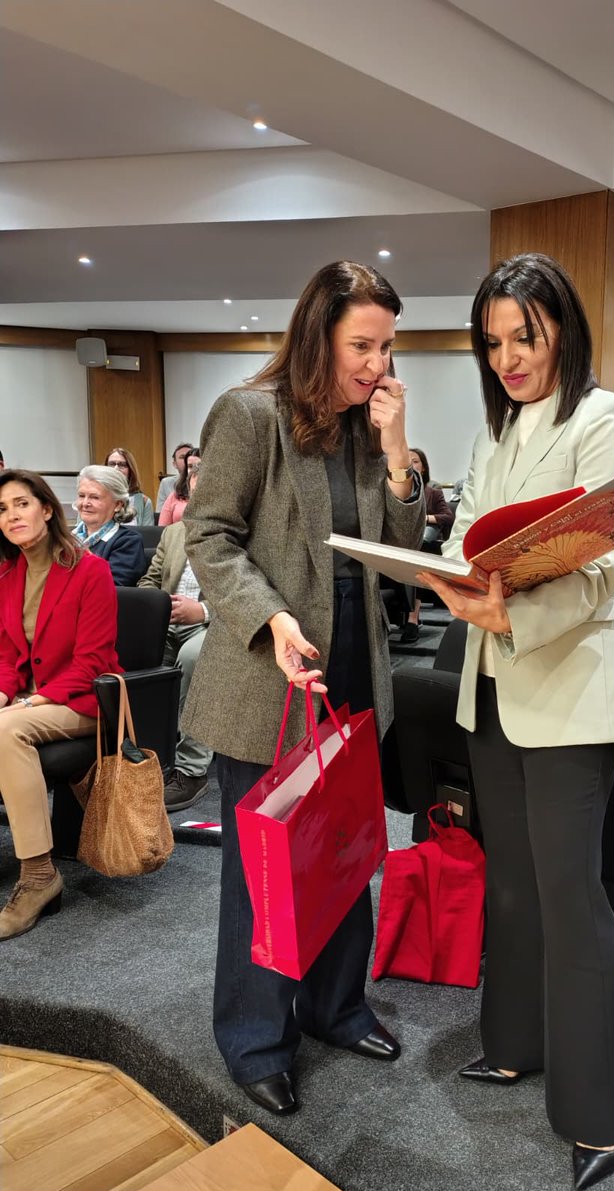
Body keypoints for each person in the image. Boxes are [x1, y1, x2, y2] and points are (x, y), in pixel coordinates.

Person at [419, 253, 614, 1191]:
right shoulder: (495, 429)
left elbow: (608, 558)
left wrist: (515, 611)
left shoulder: (607, 417)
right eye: (495, 342)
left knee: (571, 897)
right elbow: (467, 527)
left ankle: (599, 1114)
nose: (510, 357)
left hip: (565, 688)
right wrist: (439, 565)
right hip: (493, 683)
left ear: (563, 329)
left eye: (526, 336)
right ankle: (514, 1043)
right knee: (510, 884)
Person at [182, 260, 425, 1116]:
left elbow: (401, 553)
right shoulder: (251, 415)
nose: (376, 363)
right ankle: (254, 1039)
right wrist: (272, 619)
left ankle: (336, 1007)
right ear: (317, 335)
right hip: (267, 678)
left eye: (387, 347)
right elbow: (209, 537)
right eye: (362, 344)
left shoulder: (366, 428)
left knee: (341, 851)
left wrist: (399, 454)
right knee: (263, 875)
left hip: (353, 671)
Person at [0, 470, 119, 939]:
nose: (11, 516)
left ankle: (38, 876)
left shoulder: (91, 570)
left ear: (47, 510)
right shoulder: (8, 573)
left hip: (83, 699)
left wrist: (27, 703)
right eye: (2, 509)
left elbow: (92, 662)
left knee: (5, 731)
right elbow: (8, 655)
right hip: (31, 700)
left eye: (21, 504)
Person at [138, 464, 213, 812]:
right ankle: (146, 759)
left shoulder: (247, 532)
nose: (202, 480)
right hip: (165, 622)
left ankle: (191, 770)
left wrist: (203, 611)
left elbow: (257, 592)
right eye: (196, 474)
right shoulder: (174, 533)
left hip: (215, 625)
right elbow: (148, 582)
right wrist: (155, 607)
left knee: (193, 658)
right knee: (135, 656)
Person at [400, 447, 454, 642]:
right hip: (402, 544)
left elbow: (447, 517)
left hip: (424, 544)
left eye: (415, 461)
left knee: (418, 557)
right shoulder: (394, 492)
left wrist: (425, 518)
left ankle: (413, 619)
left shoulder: (433, 492)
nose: (411, 464)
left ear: (423, 468)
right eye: (407, 461)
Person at [73, 466, 146, 586]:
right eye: (81, 496)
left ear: (117, 504)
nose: (85, 503)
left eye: (95, 497)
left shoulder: (128, 542)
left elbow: (109, 589)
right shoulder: (64, 539)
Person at [105, 447, 154, 525]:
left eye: (122, 465)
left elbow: (147, 535)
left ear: (130, 470)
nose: (116, 469)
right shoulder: (94, 497)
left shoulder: (144, 501)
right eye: (112, 464)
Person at [158, 447, 201, 526]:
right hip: (176, 536)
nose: (193, 470)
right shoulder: (174, 496)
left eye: (198, 466)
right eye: (190, 466)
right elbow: (162, 528)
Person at [156, 442, 194, 511]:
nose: (186, 460)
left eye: (189, 456)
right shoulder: (166, 483)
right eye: (182, 457)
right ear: (174, 464)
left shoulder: (205, 482)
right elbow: (160, 514)